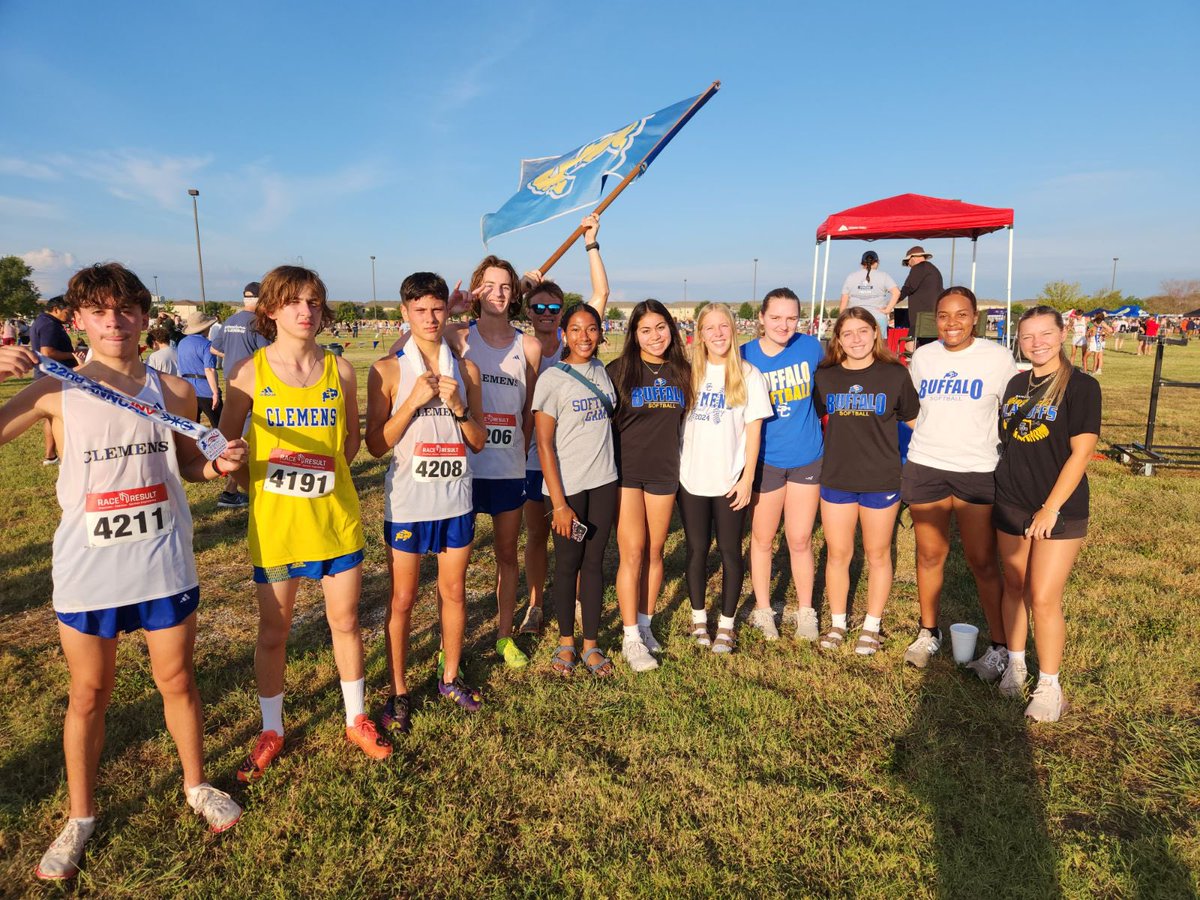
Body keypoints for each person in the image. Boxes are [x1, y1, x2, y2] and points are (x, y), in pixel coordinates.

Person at [0, 263, 247, 880]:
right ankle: (80, 816)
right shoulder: (55, 388)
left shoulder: (176, 391)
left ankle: (195, 784)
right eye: (99, 312)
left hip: (163, 562)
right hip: (89, 570)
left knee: (179, 681)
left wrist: (217, 470)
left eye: (126, 310)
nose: (114, 322)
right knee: (88, 694)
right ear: (77, 320)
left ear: (144, 318)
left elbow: (190, 465)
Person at [219, 265, 392, 782]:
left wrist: (315, 465)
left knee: (346, 623)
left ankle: (356, 717)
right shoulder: (249, 373)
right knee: (275, 631)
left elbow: (351, 444)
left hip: (335, 519)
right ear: (270, 310)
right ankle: (272, 727)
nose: (305, 311)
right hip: (277, 526)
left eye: (314, 302)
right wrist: (239, 459)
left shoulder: (341, 370)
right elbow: (223, 443)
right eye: (293, 301)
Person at [366, 272, 487, 727]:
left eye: (438, 308)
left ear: (447, 310)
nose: (430, 317)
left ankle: (449, 677)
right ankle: (397, 691)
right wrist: (412, 402)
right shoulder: (388, 369)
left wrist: (460, 410)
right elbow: (376, 445)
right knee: (403, 599)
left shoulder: (466, 370)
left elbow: (478, 442)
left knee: (453, 592)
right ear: (405, 313)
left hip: (455, 500)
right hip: (410, 505)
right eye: (420, 310)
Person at [901, 287, 1018, 676]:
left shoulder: (996, 357)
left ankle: (1000, 645)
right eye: (945, 316)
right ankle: (928, 632)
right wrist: (935, 437)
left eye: (961, 315)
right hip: (926, 466)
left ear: (975, 317)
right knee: (929, 555)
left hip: (977, 470)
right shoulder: (923, 356)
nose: (952, 323)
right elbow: (915, 409)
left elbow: (1012, 410)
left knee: (982, 560)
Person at [994, 306, 1101, 722]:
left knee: (1043, 597)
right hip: (1010, 500)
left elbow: (1083, 452)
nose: (1036, 343)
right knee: (1015, 585)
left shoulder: (1081, 386)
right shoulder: (1016, 384)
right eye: (1027, 336)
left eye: (1044, 334)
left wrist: (1050, 508)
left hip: (1058, 509)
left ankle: (1050, 685)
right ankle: (1016, 666)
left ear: (1062, 334)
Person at [517, 215, 609, 635]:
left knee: (571, 540)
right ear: (529, 311)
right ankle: (536, 605)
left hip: (572, 461)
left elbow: (600, 294)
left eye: (555, 307)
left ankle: (574, 600)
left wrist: (592, 244)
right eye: (538, 307)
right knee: (538, 535)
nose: (547, 313)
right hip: (533, 455)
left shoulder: (576, 340)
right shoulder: (521, 344)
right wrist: (520, 288)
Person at [814, 308, 920, 654]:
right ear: (838, 340)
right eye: (848, 333)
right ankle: (838, 623)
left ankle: (872, 626)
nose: (856, 339)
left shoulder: (894, 375)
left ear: (876, 334)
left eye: (863, 331)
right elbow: (814, 419)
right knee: (838, 553)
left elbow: (915, 423)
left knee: (877, 554)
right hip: (837, 478)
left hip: (881, 477)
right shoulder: (826, 376)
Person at [532, 303, 619, 677]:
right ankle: (566, 643)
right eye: (577, 329)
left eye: (592, 329)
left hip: (604, 481)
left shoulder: (602, 371)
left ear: (601, 333)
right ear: (564, 334)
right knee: (567, 565)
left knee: (594, 565)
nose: (585, 337)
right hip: (566, 488)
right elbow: (545, 445)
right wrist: (559, 503)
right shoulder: (552, 379)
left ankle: (591, 644)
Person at [678, 303, 771, 652]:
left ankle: (727, 625)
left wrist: (747, 479)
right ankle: (700, 620)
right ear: (699, 335)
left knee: (730, 552)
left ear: (733, 330)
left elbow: (754, 432)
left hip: (730, 481)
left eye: (724, 327)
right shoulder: (688, 375)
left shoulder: (748, 375)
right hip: (691, 479)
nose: (717, 334)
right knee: (696, 551)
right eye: (709, 328)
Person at [607, 299, 692, 672]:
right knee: (633, 552)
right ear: (634, 334)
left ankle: (645, 623)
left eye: (661, 327)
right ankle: (629, 637)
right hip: (626, 474)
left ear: (671, 329)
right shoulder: (618, 371)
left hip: (664, 472)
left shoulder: (684, 372)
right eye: (646, 330)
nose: (655, 336)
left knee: (656, 552)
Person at [741, 288, 825, 641]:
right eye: (775, 317)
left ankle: (806, 612)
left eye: (791, 317)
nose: (784, 325)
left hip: (807, 456)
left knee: (801, 537)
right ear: (761, 318)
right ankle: (763, 610)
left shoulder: (811, 348)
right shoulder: (744, 354)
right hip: (765, 460)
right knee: (762, 539)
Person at [211, 282, 270, 508]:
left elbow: (214, 348)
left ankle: (232, 489)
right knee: (246, 438)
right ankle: (233, 490)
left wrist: (234, 354)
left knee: (235, 435)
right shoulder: (256, 323)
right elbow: (266, 353)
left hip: (231, 380)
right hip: (254, 383)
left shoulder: (230, 321)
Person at [29, 294, 85, 464]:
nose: (69, 317)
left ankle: (51, 454)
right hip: (54, 374)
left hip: (48, 374)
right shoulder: (49, 324)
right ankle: (58, 453)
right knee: (59, 416)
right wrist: (73, 355)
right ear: (56, 309)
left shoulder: (43, 321)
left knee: (52, 416)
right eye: (68, 312)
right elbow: (48, 352)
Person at [839, 250, 900, 336]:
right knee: (879, 346)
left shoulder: (851, 277)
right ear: (877, 262)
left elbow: (844, 301)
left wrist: (842, 318)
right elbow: (896, 292)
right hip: (878, 317)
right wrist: (887, 310)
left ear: (861, 264)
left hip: (856, 317)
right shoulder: (883, 276)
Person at [176, 312, 220, 426]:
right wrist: (215, 393)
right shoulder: (207, 345)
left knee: (192, 427)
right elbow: (209, 369)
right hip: (205, 389)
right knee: (220, 425)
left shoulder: (181, 343)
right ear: (205, 327)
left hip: (187, 390)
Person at [897, 246, 944, 349]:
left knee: (909, 345)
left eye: (908, 262)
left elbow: (908, 288)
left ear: (913, 258)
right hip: (932, 317)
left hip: (920, 319)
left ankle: (913, 364)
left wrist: (892, 301)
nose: (908, 265)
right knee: (927, 346)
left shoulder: (918, 268)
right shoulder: (934, 270)